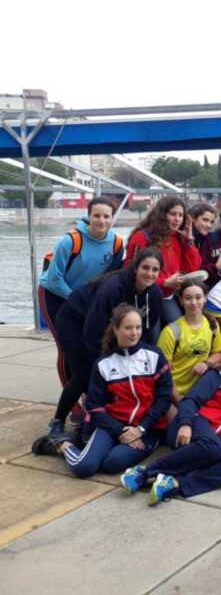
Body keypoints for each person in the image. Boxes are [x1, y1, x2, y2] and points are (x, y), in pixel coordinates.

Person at [33, 248, 164, 451]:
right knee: (85, 373)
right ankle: (58, 420)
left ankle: (94, 417)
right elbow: (92, 332)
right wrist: (103, 363)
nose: (149, 273)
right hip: (76, 320)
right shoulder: (113, 289)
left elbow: (146, 331)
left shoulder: (154, 294)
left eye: (155, 270)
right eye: (145, 268)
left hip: (111, 327)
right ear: (135, 268)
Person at [120, 336, 221, 505]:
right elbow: (190, 401)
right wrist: (185, 424)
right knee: (212, 447)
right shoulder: (218, 376)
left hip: (217, 440)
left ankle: (175, 484)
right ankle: (143, 472)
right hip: (193, 423)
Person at [56, 305, 171, 479]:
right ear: (116, 329)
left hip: (148, 429)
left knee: (112, 463)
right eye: (128, 327)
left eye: (138, 327)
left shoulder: (154, 356)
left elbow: (164, 398)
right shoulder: (104, 364)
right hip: (112, 426)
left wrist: (140, 429)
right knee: (84, 467)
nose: (134, 333)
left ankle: (84, 443)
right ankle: (62, 444)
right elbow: (95, 406)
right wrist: (121, 431)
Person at [39, 196, 124, 385]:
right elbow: (54, 279)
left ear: (112, 218)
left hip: (84, 299)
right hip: (55, 294)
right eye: (97, 216)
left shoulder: (117, 243)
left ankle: (88, 392)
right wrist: (77, 301)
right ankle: (70, 399)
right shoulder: (70, 241)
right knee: (67, 346)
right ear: (89, 216)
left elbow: (110, 278)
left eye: (106, 216)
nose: (102, 221)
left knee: (89, 345)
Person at [125, 195, 202, 325]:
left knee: (178, 333)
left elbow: (192, 268)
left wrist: (189, 241)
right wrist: (164, 282)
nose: (177, 219)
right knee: (153, 337)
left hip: (167, 297)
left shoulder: (178, 238)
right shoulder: (142, 237)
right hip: (145, 297)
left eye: (180, 215)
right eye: (173, 214)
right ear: (162, 215)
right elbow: (130, 272)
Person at [157, 280, 221, 404]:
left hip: (198, 394)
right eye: (188, 298)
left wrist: (206, 364)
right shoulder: (171, 331)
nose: (194, 302)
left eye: (198, 297)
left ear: (205, 298)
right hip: (173, 394)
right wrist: (178, 399)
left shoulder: (212, 325)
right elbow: (163, 372)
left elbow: (218, 353)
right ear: (181, 301)